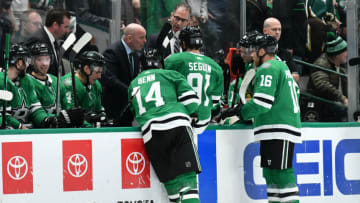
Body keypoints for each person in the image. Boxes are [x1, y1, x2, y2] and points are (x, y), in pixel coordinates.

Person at [220, 34, 301, 203]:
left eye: (255, 51)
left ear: (263, 51)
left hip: (280, 126)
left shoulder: (269, 68)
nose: (252, 55)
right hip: (273, 127)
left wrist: (238, 112)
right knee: (271, 174)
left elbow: (262, 103)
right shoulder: (280, 66)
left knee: (281, 173)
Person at [128, 48, 201, 203]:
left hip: (151, 134)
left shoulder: (133, 85)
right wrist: (187, 112)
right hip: (177, 126)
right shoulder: (171, 74)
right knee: (188, 184)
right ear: (160, 64)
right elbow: (193, 103)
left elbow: (135, 113)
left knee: (172, 186)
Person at [4, 43, 84, 128]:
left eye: (47, 59)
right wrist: (19, 126)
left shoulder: (27, 80)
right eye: (27, 61)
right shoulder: (5, 81)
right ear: (19, 63)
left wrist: (48, 121)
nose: (28, 64)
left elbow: (36, 109)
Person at [165, 26, 224, 135]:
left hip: (178, 119)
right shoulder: (215, 66)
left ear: (183, 43)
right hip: (203, 120)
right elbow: (215, 101)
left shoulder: (173, 60)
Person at [101, 23, 146, 126]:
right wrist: (131, 92)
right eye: (141, 38)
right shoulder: (112, 52)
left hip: (127, 113)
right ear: (129, 38)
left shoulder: (135, 54)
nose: (145, 41)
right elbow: (110, 79)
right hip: (114, 112)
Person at [306, 31, 348, 122]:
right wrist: (342, 98)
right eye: (345, 51)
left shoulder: (343, 65)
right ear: (337, 54)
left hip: (336, 106)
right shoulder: (321, 64)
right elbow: (322, 84)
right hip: (321, 106)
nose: (347, 53)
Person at [62, 51, 107, 127]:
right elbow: (72, 118)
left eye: (101, 72)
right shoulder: (69, 84)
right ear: (86, 69)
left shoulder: (96, 84)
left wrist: (103, 120)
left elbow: (99, 110)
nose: (100, 76)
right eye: (97, 72)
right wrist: (93, 126)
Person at [27, 8, 70, 76]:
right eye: (65, 27)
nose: (67, 31)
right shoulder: (38, 40)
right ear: (55, 25)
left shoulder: (54, 41)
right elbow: (30, 70)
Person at [263, 17, 300, 82]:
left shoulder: (286, 54)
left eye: (279, 30)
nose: (277, 32)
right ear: (265, 31)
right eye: (274, 29)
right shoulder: (258, 52)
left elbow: (296, 76)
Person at [28, 42, 60, 115]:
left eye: (47, 59)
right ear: (32, 61)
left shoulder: (55, 80)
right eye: (40, 60)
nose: (45, 64)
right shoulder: (27, 81)